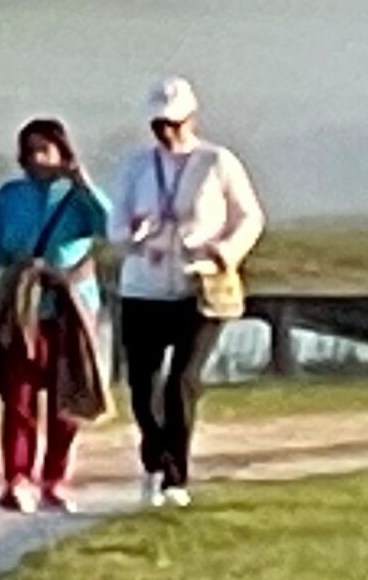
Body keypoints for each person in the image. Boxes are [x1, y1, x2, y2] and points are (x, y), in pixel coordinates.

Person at [108, 76, 264, 508]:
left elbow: (250, 217)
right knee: (142, 385)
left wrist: (223, 252)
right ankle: (153, 454)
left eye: (174, 123)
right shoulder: (136, 166)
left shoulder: (218, 162)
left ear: (191, 117)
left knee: (182, 381)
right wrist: (134, 237)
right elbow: (115, 224)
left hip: (198, 287)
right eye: (158, 124)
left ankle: (175, 477)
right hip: (144, 286)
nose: (166, 132)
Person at [0, 118, 113, 515]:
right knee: (19, 397)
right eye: (30, 151)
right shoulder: (9, 196)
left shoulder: (78, 198)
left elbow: (111, 227)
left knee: (67, 399)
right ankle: (17, 478)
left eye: (45, 150)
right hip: (20, 306)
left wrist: (82, 182)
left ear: (62, 153)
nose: (37, 158)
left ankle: (55, 478)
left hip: (69, 308)